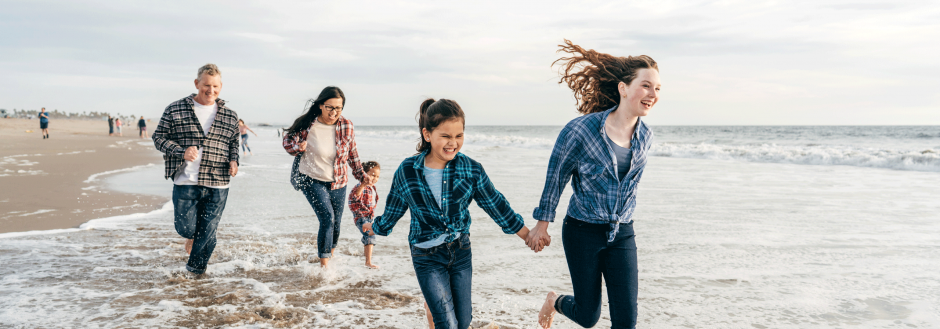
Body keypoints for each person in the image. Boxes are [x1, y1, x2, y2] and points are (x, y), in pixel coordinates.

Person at [362, 98, 532, 329]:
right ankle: (434, 308)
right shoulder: (408, 170)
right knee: (447, 324)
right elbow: (393, 210)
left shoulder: (470, 168)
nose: (453, 143)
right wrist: (376, 227)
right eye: (446, 136)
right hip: (426, 255)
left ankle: (432, 307)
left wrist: (527, 235)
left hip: (460, 251)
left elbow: (496, 205)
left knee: (463, 323)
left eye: (459, 136)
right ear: (427, 134)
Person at [527, 40, 660, 329]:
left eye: (657, 89)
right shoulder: (581, 130)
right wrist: (542, 224)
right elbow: (556, 176)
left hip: (622, 232)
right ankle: (555, 301)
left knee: (626, 322)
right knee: (588, 317)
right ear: (624, 88)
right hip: (582, 231)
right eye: (646, 85)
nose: (653, 94)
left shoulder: (645, 136)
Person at [152, 63, 241, 276]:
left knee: (208, 230)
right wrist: (181, 151)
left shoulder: (229, 115)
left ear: (221, 86)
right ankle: (192, 239)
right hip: (185, 180)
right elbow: (158, 137)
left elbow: (233, 143)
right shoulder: (175, 109)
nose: (211, 91)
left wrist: (234, 161)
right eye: (206, 85)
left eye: (216, 86)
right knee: (186, 228)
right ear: (196, 83)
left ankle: (194, 273)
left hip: (218, 181)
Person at [282, 86, 373, 268]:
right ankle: (324, 266)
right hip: (311, 179)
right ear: (321, 106)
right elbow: (287, 141)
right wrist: (297, 147)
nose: (334, 112)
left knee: (336, 223)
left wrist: (361, 176)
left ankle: (329, 254)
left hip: (338, 181)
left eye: (338, 108)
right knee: (327, 217)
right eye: (330, 107)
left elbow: (352, 154)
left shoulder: (346, 125)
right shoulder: (308, 124)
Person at [348, 160, 381, 269]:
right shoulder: (360, 186)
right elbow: (356, 196)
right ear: (365, 174)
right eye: (372, 175)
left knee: (370, 235)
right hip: (361, 217)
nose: (375, 179)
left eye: (377, 177)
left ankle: (366, 259)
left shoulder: (372, 188)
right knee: (370, 234)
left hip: (368, 218)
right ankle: (368, 262)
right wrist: (363, 184)